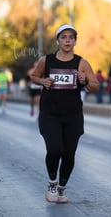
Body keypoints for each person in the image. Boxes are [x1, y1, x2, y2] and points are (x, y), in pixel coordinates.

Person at [30, 24, 99, 203]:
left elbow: (95, 85)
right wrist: (42, 81)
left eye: (71, 37)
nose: (67, 40)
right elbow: (34, 76)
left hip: (73, 116)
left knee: (69, 155)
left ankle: (61, 188)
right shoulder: (47, 60)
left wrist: (84, 82)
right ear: (57, 40)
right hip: (50, 114)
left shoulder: (81, 62)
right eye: (64, 37)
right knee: (54, 150)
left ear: (75, 41)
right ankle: (52, 183)